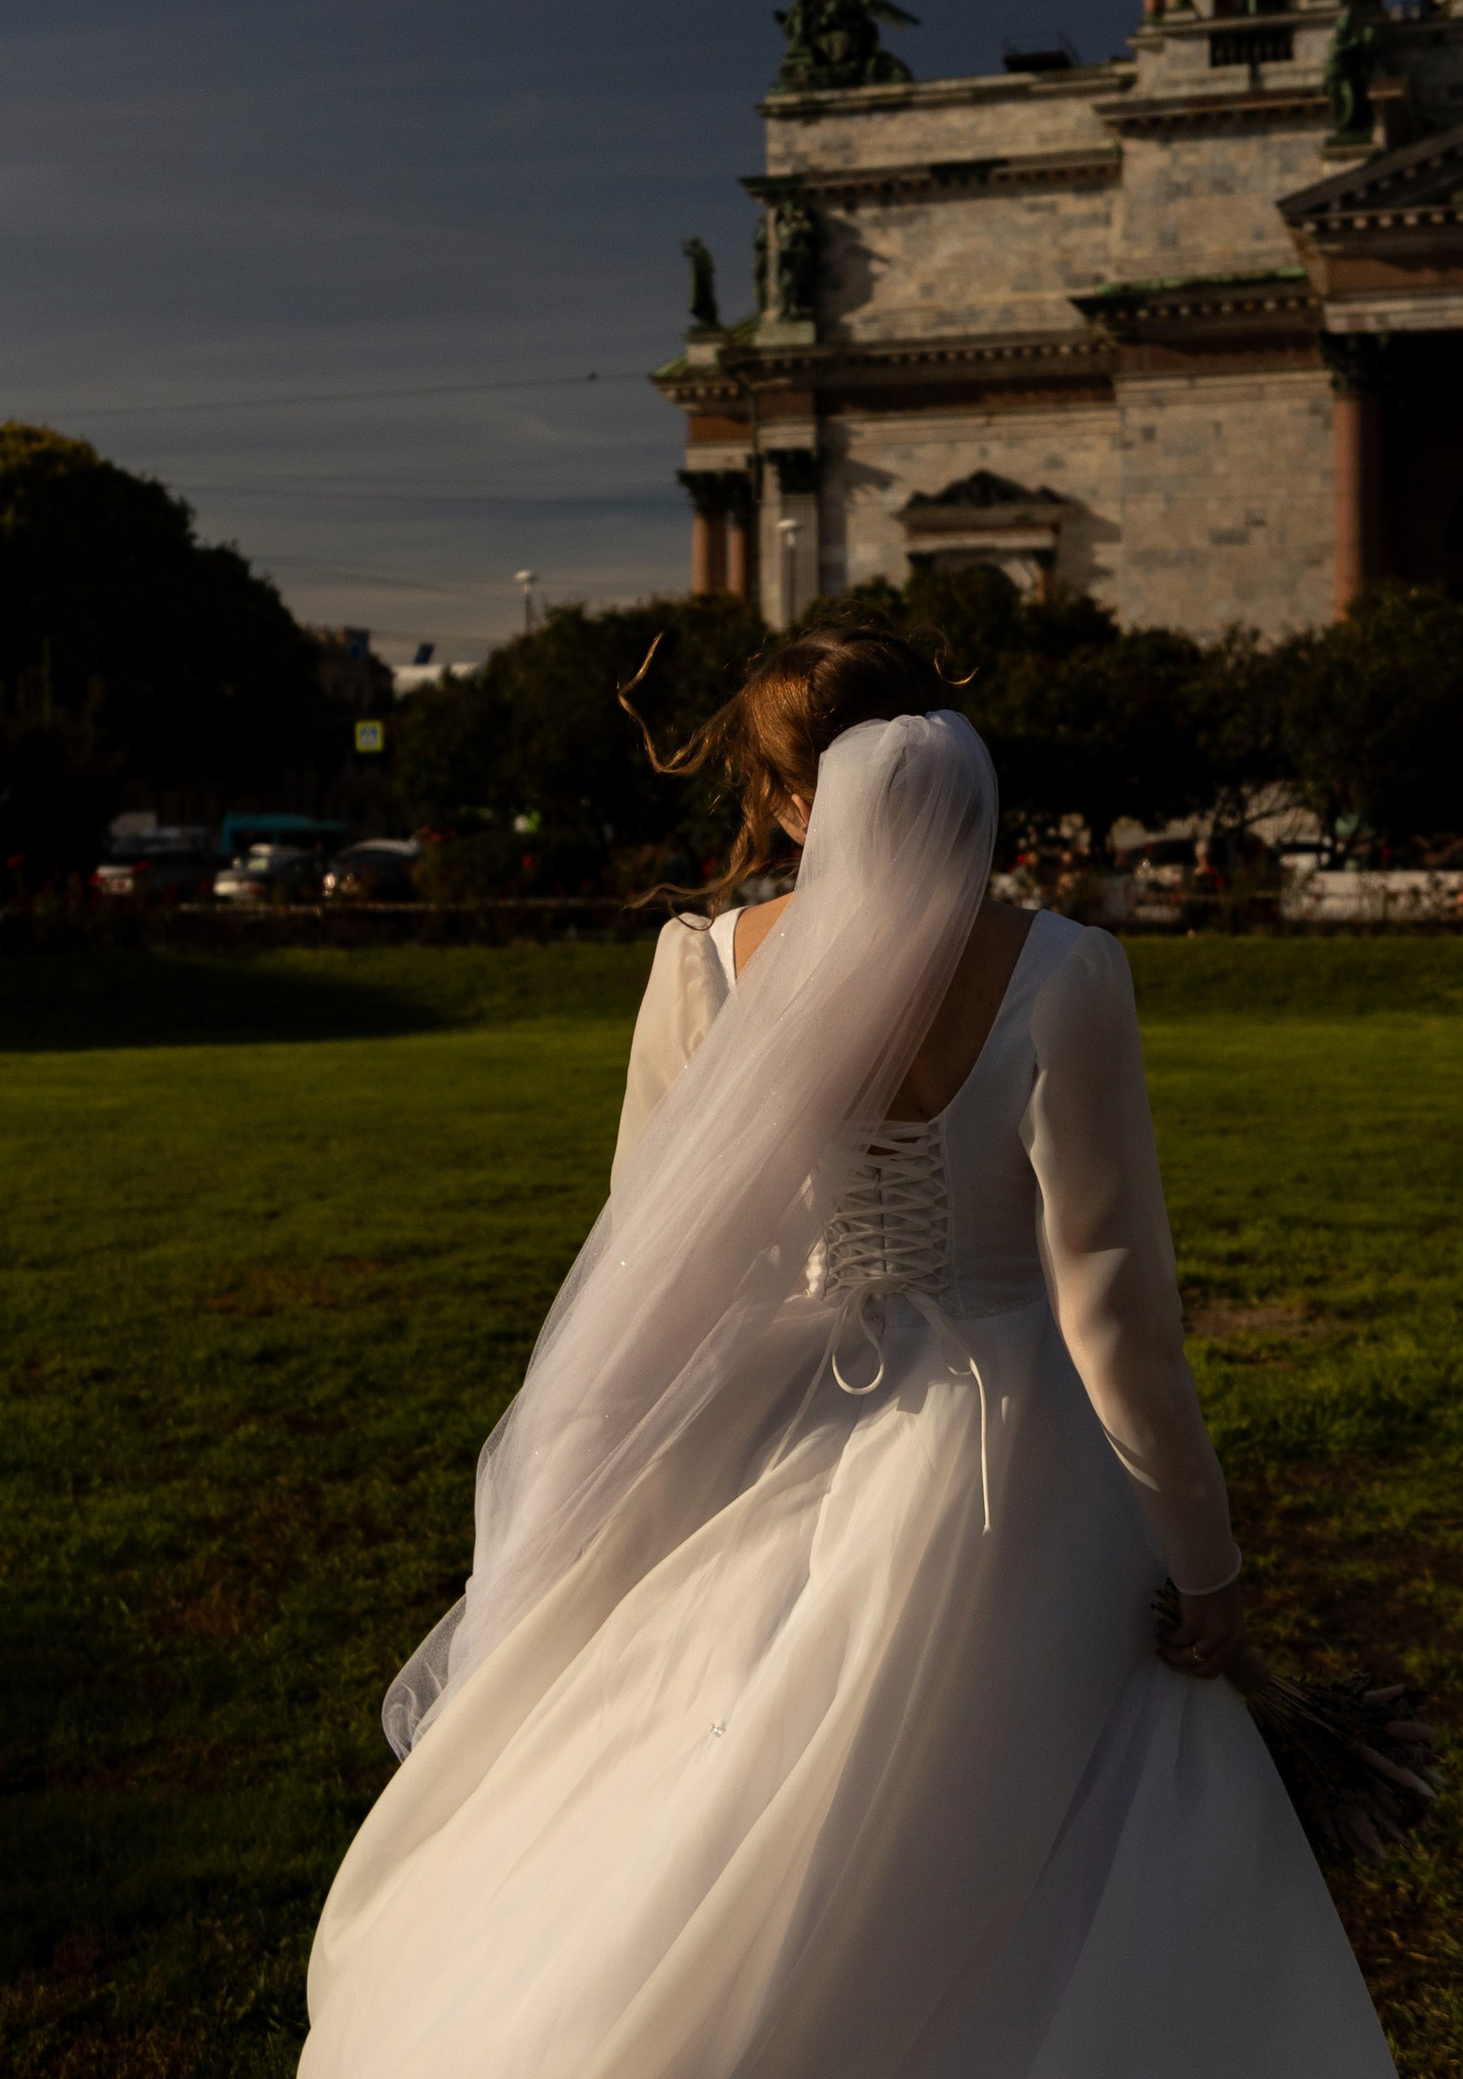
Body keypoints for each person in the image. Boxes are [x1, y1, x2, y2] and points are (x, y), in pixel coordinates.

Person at [302, 622, 1396, 2078]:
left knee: (724, 1777)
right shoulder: (1063, 971)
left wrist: (592, 1515)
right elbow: (1114, 1303)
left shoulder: (703, 966)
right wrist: (1206, 1562)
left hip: (773, 1420)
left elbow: (649, 1269)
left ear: (791, 799)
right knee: (1054, 1820)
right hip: (1019, 1465)